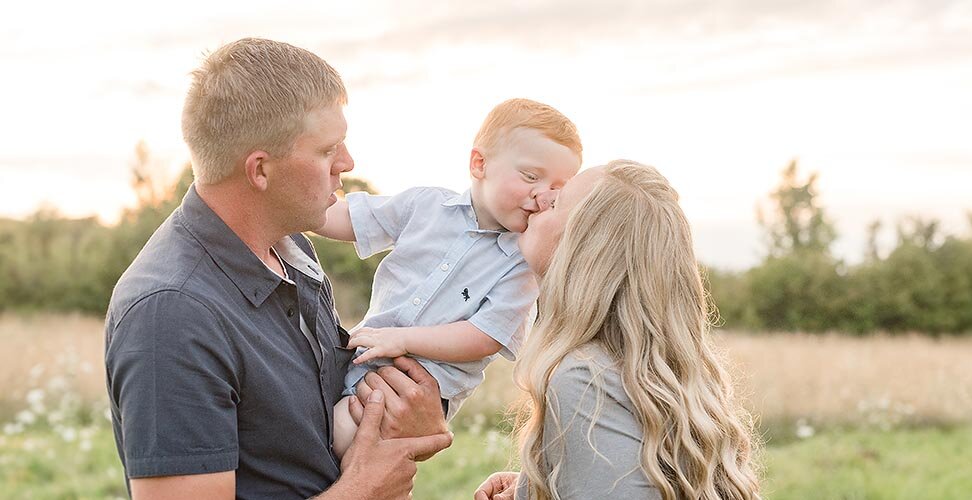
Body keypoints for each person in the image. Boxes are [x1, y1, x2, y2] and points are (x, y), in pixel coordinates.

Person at [104, 37, 452, 500]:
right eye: (328, 151)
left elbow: (311, 436)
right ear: (260, 170)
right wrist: (363, 492)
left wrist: (408, 420)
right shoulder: (172, 314)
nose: (347, 163)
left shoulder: (292, 252)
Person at [474, 161, 761, 500]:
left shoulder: (582, 380)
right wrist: (536, 487)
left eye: (555, 202)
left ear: (581, 248)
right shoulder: (645, 372)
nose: (538, 198)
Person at [313, 98, 582, 458]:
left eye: (558, 188)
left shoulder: (522, 264)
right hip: (362, 360)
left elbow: (484, 336)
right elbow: (346, 219)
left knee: (337, 437)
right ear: (479, 164)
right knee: (302, 418)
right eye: (531, 176)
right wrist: (290, 214)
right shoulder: (425, 206)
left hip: (416, 389)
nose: (542, 195)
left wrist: (403, 339)